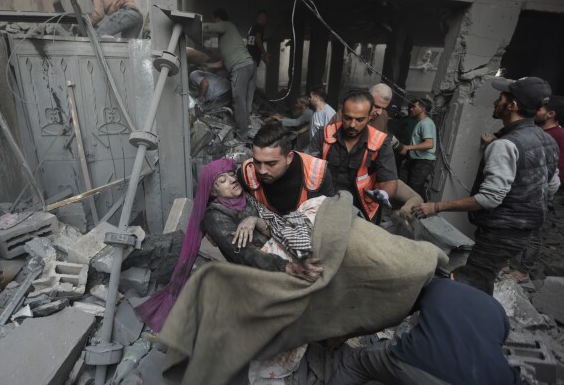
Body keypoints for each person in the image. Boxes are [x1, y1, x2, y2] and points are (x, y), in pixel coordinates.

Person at [135, 158, 322, 332]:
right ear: (213, 192)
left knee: (317, 204)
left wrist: (254, 220)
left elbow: (274, 225)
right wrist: (287, 267)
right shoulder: (215, 216)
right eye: (221, 180)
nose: (232, 180)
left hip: (276, 246)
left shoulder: (246, 199)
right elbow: (246, 255)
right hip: (260, 269)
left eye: (231, 175)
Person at [412, 77, 560, 295]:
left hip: (500, 233)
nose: (495, 101)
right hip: (523, 232)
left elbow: (489, 198)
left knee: (469, 282)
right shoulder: (547, 140)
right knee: (483, 278)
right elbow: (553, 184)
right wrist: (526, 206)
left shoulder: (505, 145)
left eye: (501, 97)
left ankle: (464, 323)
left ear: (513, 105)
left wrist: (436, 207)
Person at [329, 277, 523, 385]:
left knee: (358, 361)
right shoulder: (498, 311)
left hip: (418, 361)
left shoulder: (442, 285)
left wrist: (346, 334)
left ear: (454, 277)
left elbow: (391, 316)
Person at [308, 89, 398, 222]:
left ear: (369, 117)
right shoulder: (324, 135)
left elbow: (389, 181)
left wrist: (384, 194)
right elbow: (309, 170)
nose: (352, 125)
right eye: (348, 118)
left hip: (361, 210)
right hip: (325, 205)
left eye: (360, 120)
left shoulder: (380, 143)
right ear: (342, 113)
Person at [507, 95, 564, 282]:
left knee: (533, 233)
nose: (536, 112)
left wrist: (545, 192)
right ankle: (509, 264)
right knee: (516, 227)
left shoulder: (557, 135)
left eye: (540, 109)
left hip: (542, 190)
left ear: (551, 113)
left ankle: (523, 271)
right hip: (529, 189)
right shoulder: (540, 132)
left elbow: (557, 170)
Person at [237, 123, 335, 215]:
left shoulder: (319, 173)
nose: (262, 170)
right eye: (257, 162)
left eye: (271, 163)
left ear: (289, 157)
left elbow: (329, 216)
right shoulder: (246, 172)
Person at [203, 8, 255, 141]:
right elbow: (223, 63)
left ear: (218, 19)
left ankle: (241, 137)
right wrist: (207, 66)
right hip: (248, 66)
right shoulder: (227, 39)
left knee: (238, 101)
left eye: (215, 19)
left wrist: (195, 26)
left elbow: (210, 27)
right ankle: (247, 126)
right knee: (244, 103)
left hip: (241, 67)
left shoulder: (227, 25)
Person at [400, 98, 436, 201]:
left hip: (423, 162)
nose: (411, 109)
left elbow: (429, 144)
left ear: (422, 108)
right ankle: (423, 213)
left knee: (412, 191)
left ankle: (407, 214)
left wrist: (407, 147)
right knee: (417, 190)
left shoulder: (426, 123)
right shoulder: (421, 122)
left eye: (414, 107)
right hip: (418, 160)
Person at [328, 83, 393, 133]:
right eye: (376, 107)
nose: (379, 112)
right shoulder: (346, 113)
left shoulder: (383, 115)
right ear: (368, 99)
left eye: (383, 108)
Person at [246, 9, 269, 115]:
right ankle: (248, 111)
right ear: (263, 19)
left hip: (247, 59)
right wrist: (264, 53)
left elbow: (253, 44)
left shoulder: (252, 27)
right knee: (251, 86)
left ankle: (247, 109)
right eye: (265, 19)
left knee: (248, 84)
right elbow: (258, 39)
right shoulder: (260, 27)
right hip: (252, 60)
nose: (265, 21)